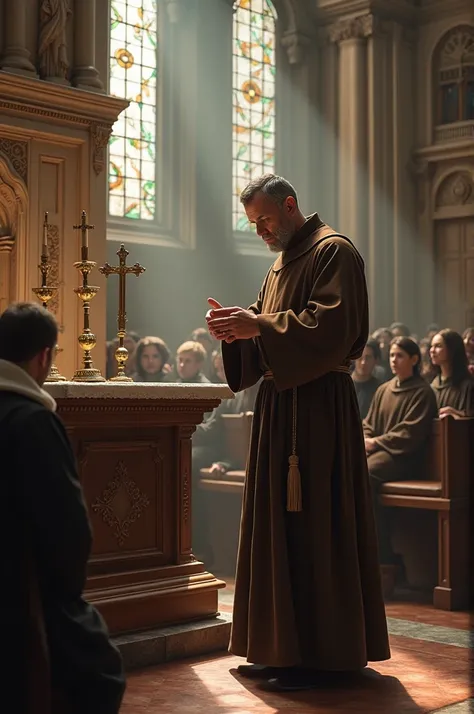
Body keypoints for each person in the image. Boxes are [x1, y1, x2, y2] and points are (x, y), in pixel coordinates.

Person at [206, 174, 390, 691]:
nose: (261, 231)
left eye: (265, 219)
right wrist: (234, 327)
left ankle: (324, 657)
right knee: (278, 529)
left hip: (318, 412)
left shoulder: (334, 252)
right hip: (279, 406)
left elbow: (331, 330)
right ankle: (281, 648)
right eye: (253, 224)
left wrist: (257, 326)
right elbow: (265, 329)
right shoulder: (279, 264)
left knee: (316, 526)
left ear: (290, 206)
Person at [0, 303, 125, 714]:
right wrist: (65, 592)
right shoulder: (32, 421)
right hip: (20, 595)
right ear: (44, 356)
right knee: (100, 676)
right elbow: (67, 529)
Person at [363, 337, 437, 572]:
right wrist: (366, 439)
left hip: (404, 458)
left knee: (365, 473)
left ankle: (381, 553)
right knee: (348, 469)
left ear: (414, 359)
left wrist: (377, 442)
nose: (394, 360)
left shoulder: (422, 391)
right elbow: (369, 423)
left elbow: (410, 432)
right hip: (381, 453)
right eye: (392, 355)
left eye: (400, 356)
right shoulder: (384, 389)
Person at [430, 329, 474, 417]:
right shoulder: (433, 385)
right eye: (432, 346)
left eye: (438, 346)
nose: (432, 350)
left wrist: (458, 414)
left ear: (452, 349)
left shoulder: (468, 386)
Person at [352, 339, 382, 419]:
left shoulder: (380, 390)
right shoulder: (343, 385)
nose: (363, 362)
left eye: (368, 358)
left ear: (376, 361)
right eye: (360, 358)